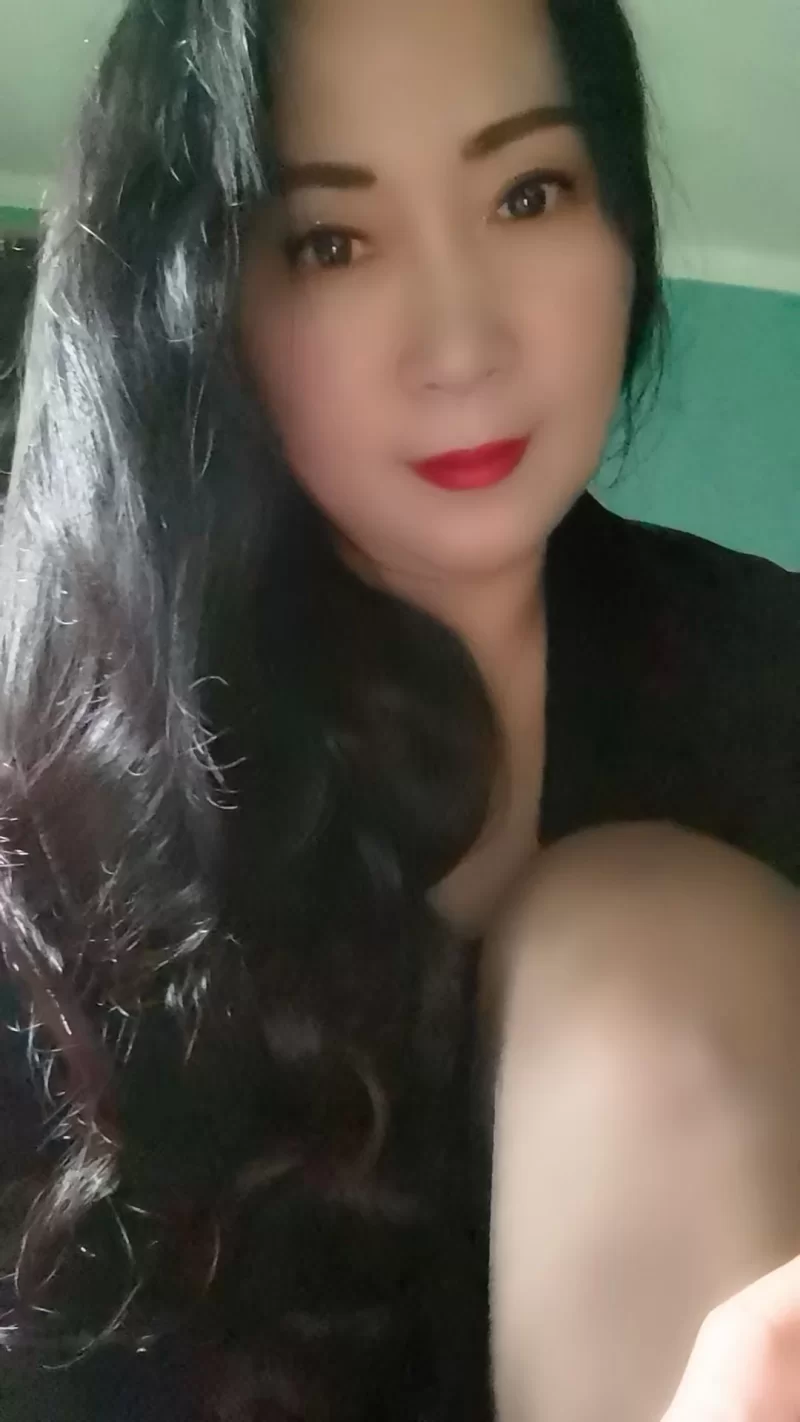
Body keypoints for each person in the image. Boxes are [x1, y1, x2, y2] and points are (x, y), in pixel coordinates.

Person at [0, 0, 796, 1418]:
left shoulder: (767, 675)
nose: (463, 342)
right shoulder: (52, 827)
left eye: (529, 193)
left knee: (642, 930)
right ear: (198, 307)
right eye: (331, 241)